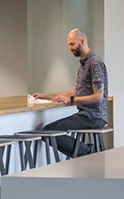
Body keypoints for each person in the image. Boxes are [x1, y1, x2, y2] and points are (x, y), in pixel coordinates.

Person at [33, 28, 108, 158]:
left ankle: (87, 152)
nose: (70, 48)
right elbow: (77, 91)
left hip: (93, 116)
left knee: (48, 131)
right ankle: (83, 153)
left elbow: (98, 97)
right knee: (48, 131)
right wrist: (49, 96)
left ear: (82, 41)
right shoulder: (84, 64)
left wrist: (71, 100)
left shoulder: (94, 63)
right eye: (68, 44)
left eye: (72, 44)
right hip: (85, 115)